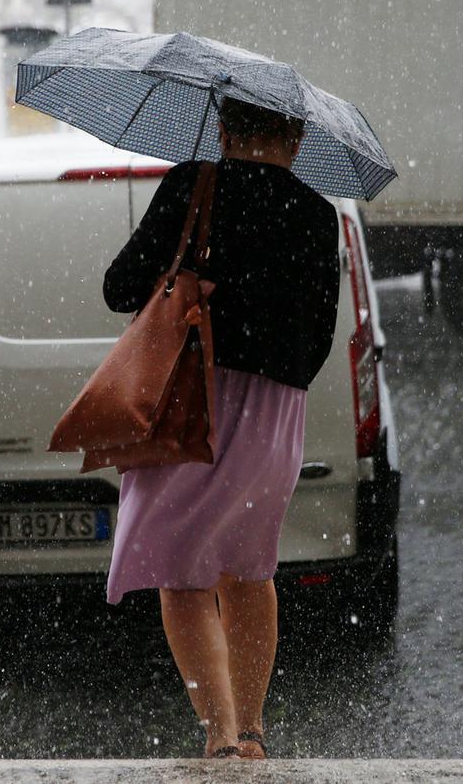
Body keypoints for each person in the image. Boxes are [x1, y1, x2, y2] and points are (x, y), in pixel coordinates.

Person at [101, 97, 340, 760]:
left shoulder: (192, 184)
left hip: (191, 401)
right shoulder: (319, 213)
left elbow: (119, 287)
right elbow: (318, 336)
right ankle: (255, 731)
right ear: (294, 137)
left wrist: (191, 280)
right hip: (274, 414)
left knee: (182, 571)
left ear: (225, 128)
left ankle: (219, 731)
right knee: (248, 564)